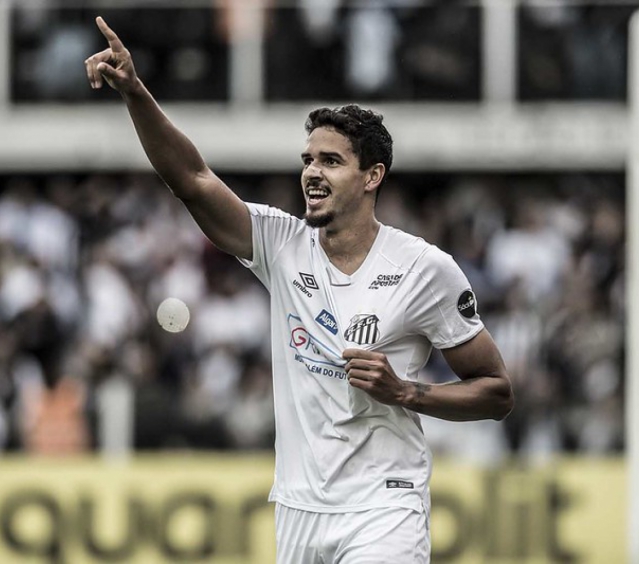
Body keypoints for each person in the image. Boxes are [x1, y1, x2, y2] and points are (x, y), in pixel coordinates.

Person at [85, 16, 513, 563]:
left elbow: (496, 391)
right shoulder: (281, 244)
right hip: (298, 509)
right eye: (308, 160)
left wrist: (408, 392)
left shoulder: (424, 269)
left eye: (331, 161)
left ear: (372, 176)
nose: (312, 172)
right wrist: (135, 92)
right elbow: (191, 179)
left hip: (385, 505)